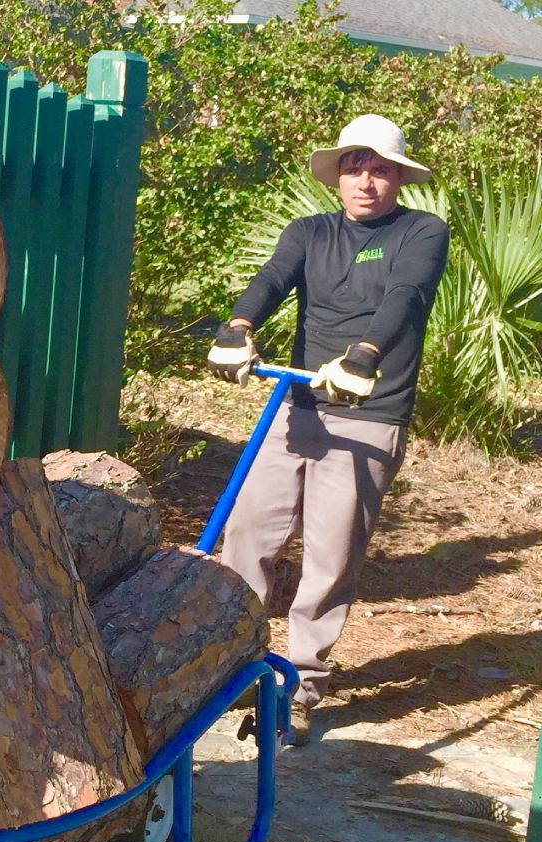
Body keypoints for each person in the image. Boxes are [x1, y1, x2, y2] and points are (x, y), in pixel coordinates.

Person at [207, 114, 449, 745]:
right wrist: (238, 327)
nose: (366, 180)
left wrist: (366, 353)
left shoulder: (422, 232)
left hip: (368, 413)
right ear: (338, 174)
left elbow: (406, 296)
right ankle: (233, 669)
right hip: (299, 404)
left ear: (398, 177)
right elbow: (272, 280)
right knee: (248, 534)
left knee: (329, 555)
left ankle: (302, 683)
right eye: (354, 166)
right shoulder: (310, 232)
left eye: (379, 168)